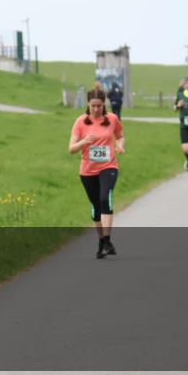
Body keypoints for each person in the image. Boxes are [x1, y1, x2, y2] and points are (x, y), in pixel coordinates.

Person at [68, 87, 125, 259]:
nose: (96, 109)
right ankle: (101, 241)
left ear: (104, 104)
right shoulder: (80, 122)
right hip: (87, 170)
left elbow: (120, 135)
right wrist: (84, 141)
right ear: (88, 104)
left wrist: (120, 145)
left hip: (108, 167)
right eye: (93, 106)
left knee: (104, 199)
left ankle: (107, 240)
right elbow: (71, 149)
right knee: (95, 207)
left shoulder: (112, 118)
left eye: (99, 106)